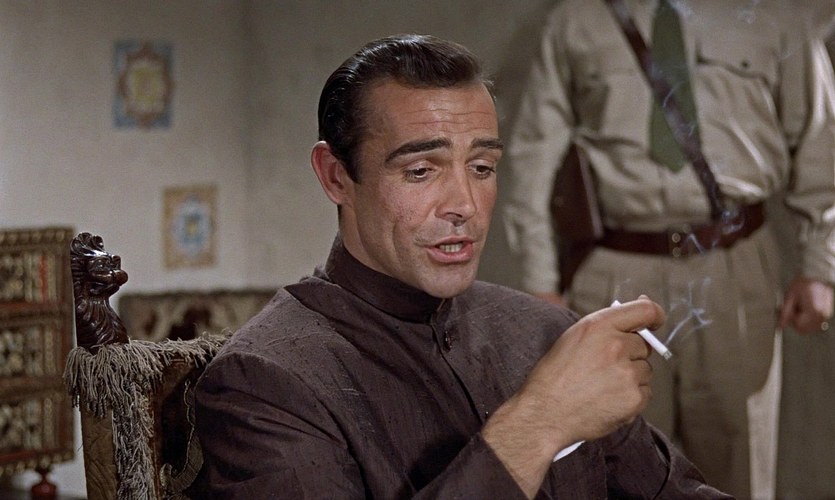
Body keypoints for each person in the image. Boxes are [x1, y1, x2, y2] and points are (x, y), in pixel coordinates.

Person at [193, 34, 730, 498]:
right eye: (421, 171)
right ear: (336, 176)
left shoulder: (546, 332)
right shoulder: (266, 383)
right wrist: (538, 422)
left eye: (481, 167)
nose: (465, 205)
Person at [502, 0, 835, 497]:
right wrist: (540, 283)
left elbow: (821, 145)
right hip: (615, 270)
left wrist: (820, 266)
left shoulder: (775, 13)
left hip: (735, 265)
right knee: (613, 462)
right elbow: (533, 155)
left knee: (738, 462)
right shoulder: (578, 19)